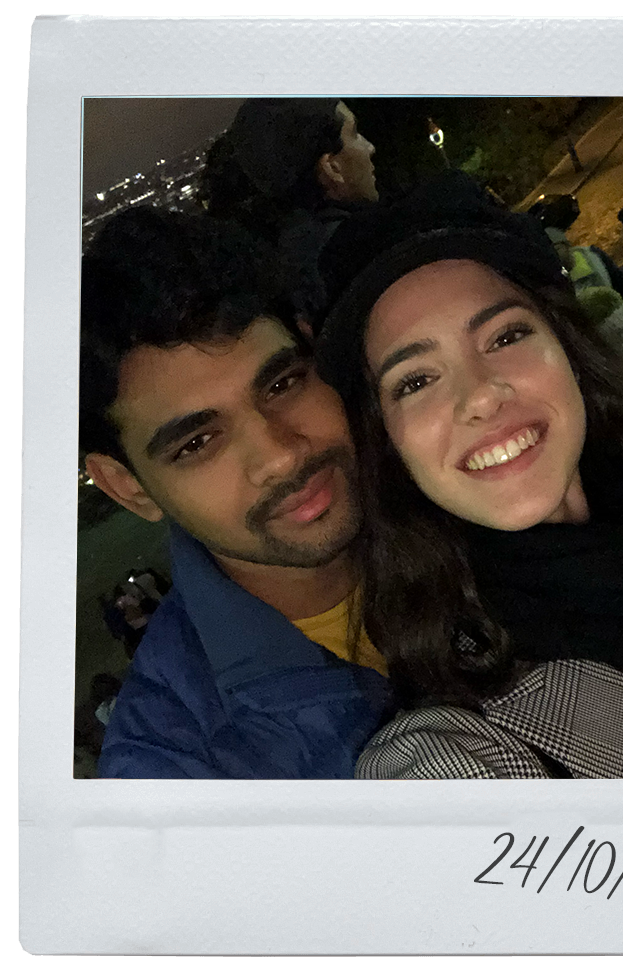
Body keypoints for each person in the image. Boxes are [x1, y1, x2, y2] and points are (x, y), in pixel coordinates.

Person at [313, 173, 623, 779]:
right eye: (415, 381)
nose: (480, 395)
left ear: (568, 347)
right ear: (388, 444)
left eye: (505, 336)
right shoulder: (455, 753)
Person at [80, 206, 395, 779]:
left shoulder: (473, 497)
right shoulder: (176, 769)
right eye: (197, 443)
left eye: (282, 383)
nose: (281, 456)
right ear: (127, 488)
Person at [198, 97, 378, 323]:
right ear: (332, 167)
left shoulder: (272, 269)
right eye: (354, 134)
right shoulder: (362, 250)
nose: (369, 147)